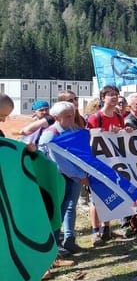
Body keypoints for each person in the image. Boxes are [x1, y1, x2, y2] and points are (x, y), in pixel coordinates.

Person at [38, 101, 90, 258]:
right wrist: (81, 176)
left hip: (72, 177)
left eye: (72, 115)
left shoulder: (72, 129)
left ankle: (69, 239)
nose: (71, 119)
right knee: (57, 211)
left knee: (70, 207)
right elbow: (60, 163)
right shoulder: (51, 134)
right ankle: (55, 244)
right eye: (67, 116)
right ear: (56, 117)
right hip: (58, 178)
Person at [86, 85, 129, 246]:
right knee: (96, 198)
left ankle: (106, 228)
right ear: (103, 98)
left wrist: (126, 131)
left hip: (114, 163)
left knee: (111, 195)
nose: (114, 97)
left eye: (116, 95)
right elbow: (89, 138)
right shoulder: (95, 118)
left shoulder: (119, 117)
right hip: (98, 163)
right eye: (110, 95)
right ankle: (95, 232)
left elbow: (123, 137)